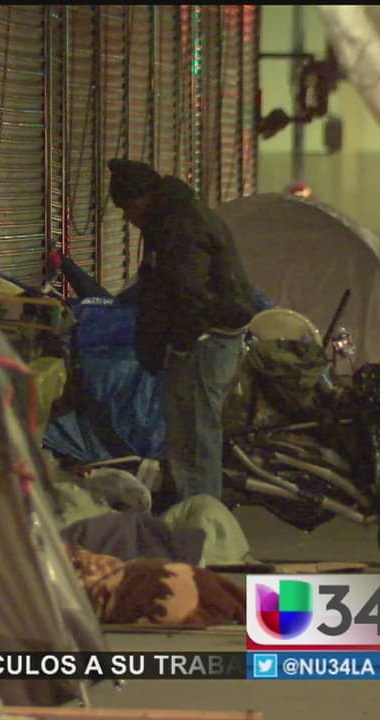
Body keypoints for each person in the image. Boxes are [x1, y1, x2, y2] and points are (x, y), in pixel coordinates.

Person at [106, 158, 259, 506]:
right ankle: (192, 507)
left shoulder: (180, 225)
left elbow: (189, 292)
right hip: (204, 336)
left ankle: (201, 513)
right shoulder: (169, 218)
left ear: (142, 196)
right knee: (189, 429)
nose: (128, 217)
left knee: (195, 430)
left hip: (204, 339)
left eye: (128, 207)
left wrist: (178, 344)